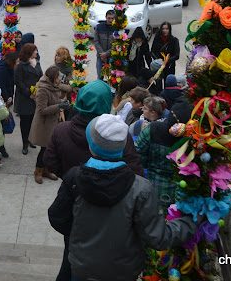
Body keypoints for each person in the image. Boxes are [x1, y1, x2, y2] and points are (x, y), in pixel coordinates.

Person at [48, 114, 197, 281]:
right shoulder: (141, 189)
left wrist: (80, 235)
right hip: (123, 271)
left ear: (91, 145)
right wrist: (190, 222)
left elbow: (57, 217)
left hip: (83, 266)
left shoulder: (74, 178)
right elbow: (158, 237)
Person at [43, 80, 144, 179]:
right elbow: (136, 173)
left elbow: (50, 162)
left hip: (72, 190)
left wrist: (69, 177)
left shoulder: (62, 129)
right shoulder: (119, 135)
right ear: (106, 103)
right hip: (109, 193)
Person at [134, 107, 187, 210]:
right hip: (181, 194)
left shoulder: (153, 129)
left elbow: (138, 154)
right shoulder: (195, 139)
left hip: (153, 186)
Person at [28, 66, 68, 184]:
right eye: (58, 76)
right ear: (53, 78)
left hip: (53, 123)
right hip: (44, 125)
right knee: (44, 150)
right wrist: (59, 106)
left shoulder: (54, 86)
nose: (60, 78)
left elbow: (55, 100)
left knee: (50, 150)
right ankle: (38, 171)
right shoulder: (43, 90)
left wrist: (62, 102)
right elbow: (41, 110)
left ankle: (47, 170)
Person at [0, 50, 19, 158]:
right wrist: (7, 98)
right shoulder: (2, 70)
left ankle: (0, 146)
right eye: (17, 61)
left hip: (3, 101)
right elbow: (0, 85)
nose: (18, 63)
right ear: (12, 61)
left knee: (2, 127)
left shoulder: (8, 68)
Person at [14, 43, 43, 155]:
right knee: (25, 123)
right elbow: (18, 82)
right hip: (25, 97)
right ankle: (24, 143)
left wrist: (39, 91)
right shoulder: (21, 65)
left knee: (33, 121)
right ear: (29, 52)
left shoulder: (37, 63)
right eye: (34, 51)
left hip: (36, 97)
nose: (36, 52)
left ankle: (31, 140)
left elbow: (41, 77)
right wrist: (29, 93)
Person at [150, 22, 180, 88]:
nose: (165, 30)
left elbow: (176, 55)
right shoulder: (157, 38)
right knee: (158, 85)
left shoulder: (174, 40)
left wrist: (166, 61)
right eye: (163, 29)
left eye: (167, 29)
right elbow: (152, 51)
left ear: (169, 30)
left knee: (168, 85)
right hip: (158, 66)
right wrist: (158, 59)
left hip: (169, 66)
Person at [92, 10, 115, 79]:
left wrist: (106, 54)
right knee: (100, 76)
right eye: (109, 18)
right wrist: (102, 54)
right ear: (106, 17)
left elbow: (116, 44)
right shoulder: (99, 27)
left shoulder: (117, 29)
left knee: (111, 78)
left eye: (112, 18)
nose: (110, 20)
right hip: (100, 56)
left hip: (112, 57)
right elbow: (96, 41)